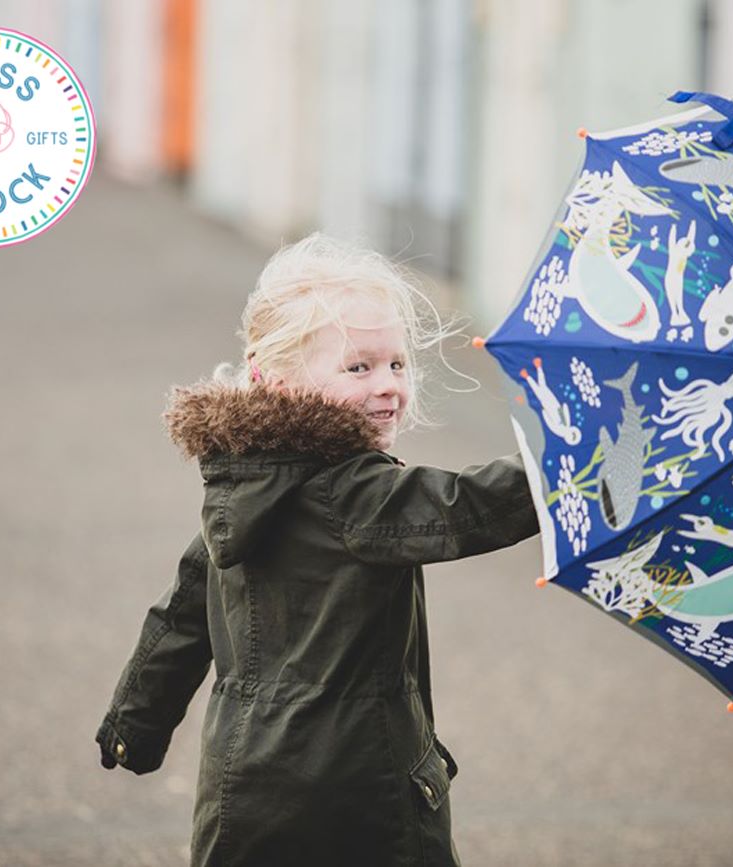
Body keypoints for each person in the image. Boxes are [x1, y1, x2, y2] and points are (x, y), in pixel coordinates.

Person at [95, 233, 539, 866]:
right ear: (274, 377)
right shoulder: (352, 490)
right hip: (363, 786)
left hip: (243, 786)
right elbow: (464, 507)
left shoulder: (245, 485)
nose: (387, 385)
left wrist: (133, 726)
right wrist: (567, 472)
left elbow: (181, 615)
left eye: (396, 364)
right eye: (358, 368)